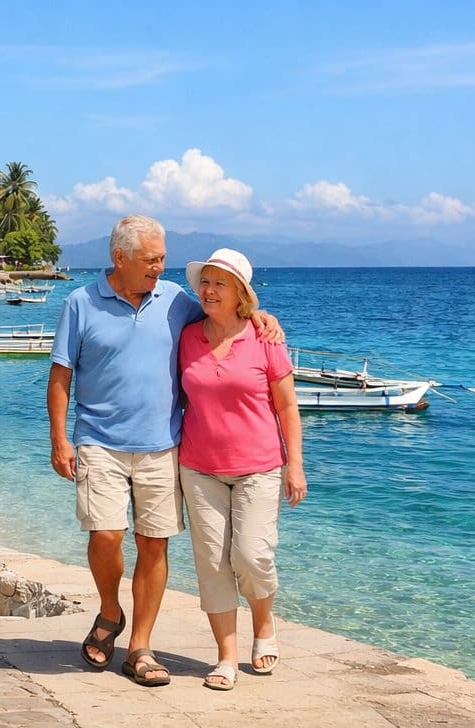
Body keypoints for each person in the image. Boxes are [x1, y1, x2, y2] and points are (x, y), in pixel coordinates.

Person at [46, 215, 280, 688]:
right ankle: (111, 612)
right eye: (152, 258)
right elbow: (61, 375)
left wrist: (259, 315)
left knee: (154, 543)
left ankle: (140, 648)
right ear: (120, 258)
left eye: (163, 257)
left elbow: (225, 313)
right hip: (98, 441)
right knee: (106, 535)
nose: (161, 266)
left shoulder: (176, 301)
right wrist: (59, 439)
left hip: (163, 446)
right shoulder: (80, 303)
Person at [177, 248, 305, 692]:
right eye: (205, 282)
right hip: (198, 467)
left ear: (241, 294)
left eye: (220, 283)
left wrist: (296, 467)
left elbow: (287, 405)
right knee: (212, 564)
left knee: (252, 556)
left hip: (259, 467)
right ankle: (227, 656)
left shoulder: (266, 338)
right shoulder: (187, 335)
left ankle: (264, 624)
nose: (209, 291)